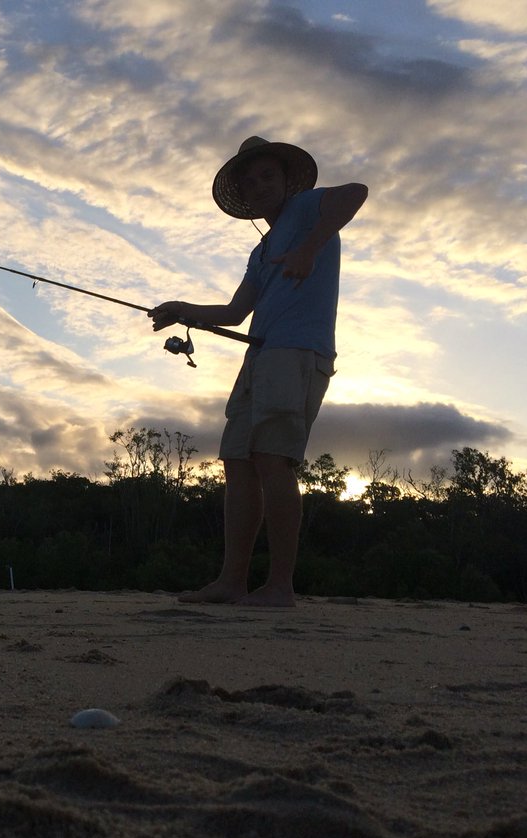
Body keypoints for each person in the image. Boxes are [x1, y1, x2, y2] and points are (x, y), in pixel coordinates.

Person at [149, 136, 368, 607]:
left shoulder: (310, 208)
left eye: (268, 175)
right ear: (244, 197)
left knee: (273, 458)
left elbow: (356, 192)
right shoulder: (261, 251)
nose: (260, 185)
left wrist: (310, 248)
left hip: (297, 354)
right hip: (261, 358)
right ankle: (232, 580)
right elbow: (234, 312)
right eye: (250, 182)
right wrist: (184, 310)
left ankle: (280, 586)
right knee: (238, 462)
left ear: (287, 180)